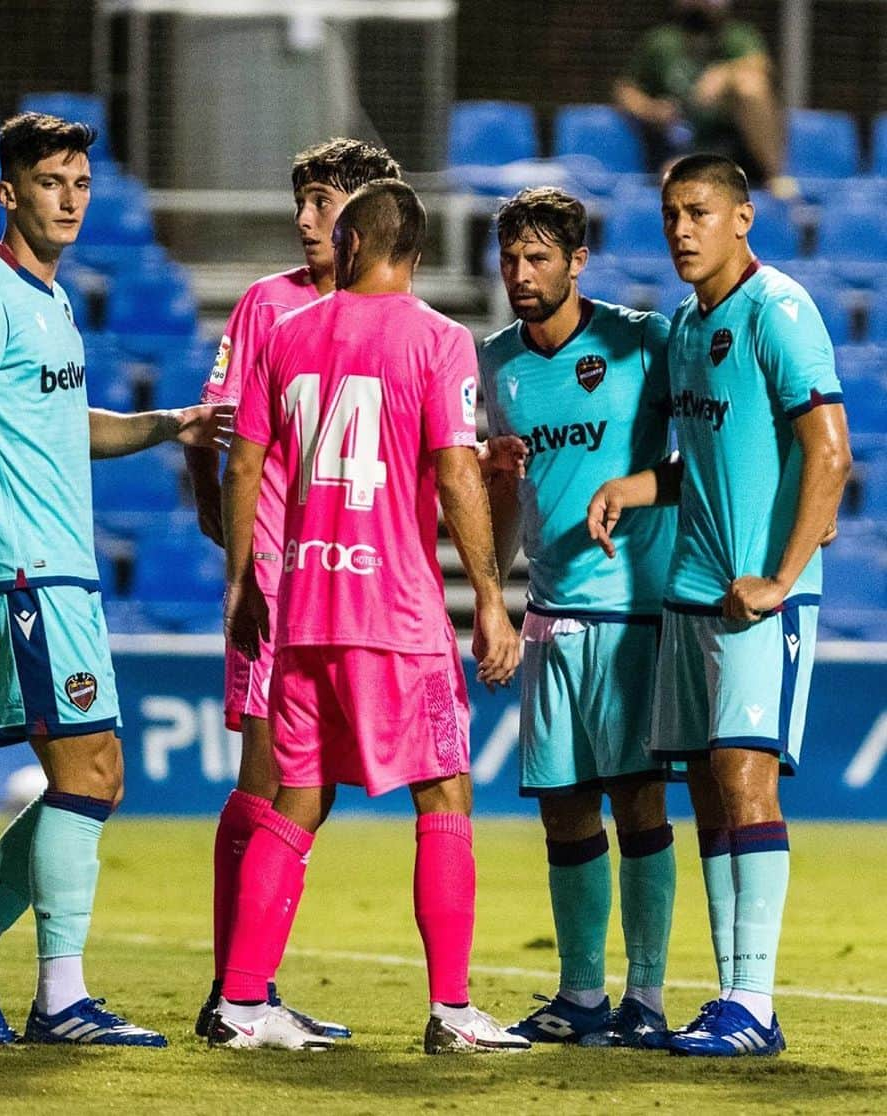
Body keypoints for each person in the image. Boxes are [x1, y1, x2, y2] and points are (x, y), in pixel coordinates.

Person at [0, 112, 233, 1047]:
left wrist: (170, 422)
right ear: (9, 193)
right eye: (52, 182)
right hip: (21, 575)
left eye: (82, 183)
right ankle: (61, 999)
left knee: (90, 778)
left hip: (66, 576)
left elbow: (65, 425)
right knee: (89, 775)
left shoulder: (51, 302)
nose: (71, 199)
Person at [212, 179, 528, 1053]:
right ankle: (453, 1010)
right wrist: (493, 602)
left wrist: (245, 587)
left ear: (348, 246)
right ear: (416, 255)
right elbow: (458, 474)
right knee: (445, 792)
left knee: (299, 797)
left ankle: (241, 1005)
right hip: (394, 611)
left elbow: (241, 468)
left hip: (301, 607)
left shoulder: (285, 333)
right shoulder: (438, 339)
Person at [588, 153, 851, 1056]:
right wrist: (634, 486)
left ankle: (753, 1000)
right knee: (708, 792)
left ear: (744, 217)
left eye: (699, 211)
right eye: (670, 215)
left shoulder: (780, 311)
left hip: (755, 600)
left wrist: (780, 576)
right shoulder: (688, 329)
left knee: (745, 781)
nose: (681, 230)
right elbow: (701, 462)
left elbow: (830, 451)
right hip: (692, 593)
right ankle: (736, 999)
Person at [184, 138, 402, 1040]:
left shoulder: (391, 317)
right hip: (279, 583)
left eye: (322, 202)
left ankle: (247, 990)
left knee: (311, 787)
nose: (305, 219)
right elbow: (213, 434)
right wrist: (236, 547)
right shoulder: (267, 306)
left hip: (348, 588)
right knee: (272, 778)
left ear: (365, 215)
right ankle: (237, 995)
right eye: (303, 201)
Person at [480, 187, 678, 1049]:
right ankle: (581, 995)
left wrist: (641, 487)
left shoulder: (644, 342)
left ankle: (648, 997)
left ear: (578, 262)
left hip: (633, 613)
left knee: (636, 801)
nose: (521, 276)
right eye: (510, 260)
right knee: (563, 808)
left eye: (539, 260)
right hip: (549, 616)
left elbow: (701, 450)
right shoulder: (495, 364)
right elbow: (507, 500)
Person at [614, 0, 788, 192]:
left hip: (732, 146)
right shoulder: (661, 41)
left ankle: (775, 179)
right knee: (677, 176)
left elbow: (762, 66)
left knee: (751, 85)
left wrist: (725, 74)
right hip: (681, 144)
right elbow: (625, 91)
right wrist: (651, 109)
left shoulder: (739, 36)